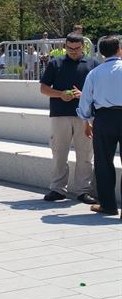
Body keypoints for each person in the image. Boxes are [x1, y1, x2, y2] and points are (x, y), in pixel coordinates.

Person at [40, 32, 100, 205]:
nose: (73, 51)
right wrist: (60, 95)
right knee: (59, 153)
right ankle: (58, 189)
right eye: (70, 48)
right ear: (65, 46)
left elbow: (99, 90)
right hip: (60, 114)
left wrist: (84, 95)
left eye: (77, 48)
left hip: (85, 115)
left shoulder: (92, 64)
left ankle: (83, 191)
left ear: (83, 47)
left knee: (86, 154)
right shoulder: (55, 63)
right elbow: (43, 88)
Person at [76, 36, 122, 217]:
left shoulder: (95, 73)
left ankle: (108, 205)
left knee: (103, 162)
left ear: (101, 53)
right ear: (119, 49)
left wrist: (86, 121)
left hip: (104, 118)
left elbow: (85, 101)